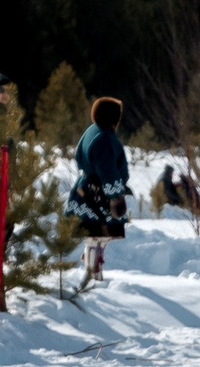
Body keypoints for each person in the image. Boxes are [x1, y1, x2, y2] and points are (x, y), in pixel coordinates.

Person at [68, 96, 128, 283]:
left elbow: (78, 155)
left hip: (85, 188)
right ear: (113, 117)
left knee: (96, 236)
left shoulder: (92, 131)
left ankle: (92, 268)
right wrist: (115, 197)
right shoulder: (105, 138)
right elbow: (107, 170)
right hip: (99, 194)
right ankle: (93, 275)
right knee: (98, 235)